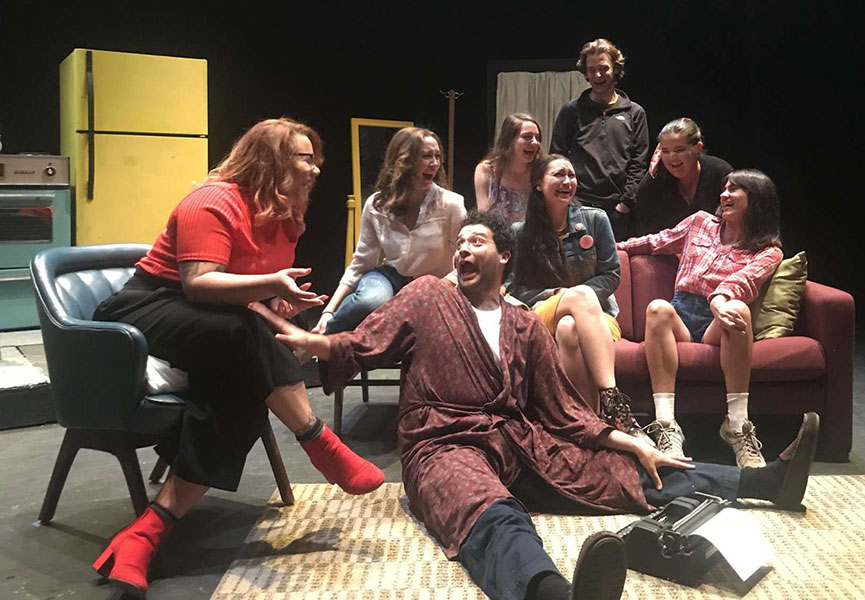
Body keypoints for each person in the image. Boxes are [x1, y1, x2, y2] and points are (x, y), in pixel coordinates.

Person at [255, 210, 819, 600]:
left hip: (519, 438)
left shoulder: (525, 324)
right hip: (441, 444)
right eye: (460, 244)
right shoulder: (427, 297)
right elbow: (363, 342)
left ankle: (767, 484)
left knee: (635, 470)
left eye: (476, 242)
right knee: (491, 512)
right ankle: (554, 594)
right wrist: (319, 344)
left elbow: (560, 410)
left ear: (503, 255)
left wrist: (628, 439)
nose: (463, 251)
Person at [89, 118, 385, 596]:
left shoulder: (285, 214)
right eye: (304, 159)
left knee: (242, 387)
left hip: (212, 320)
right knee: (243, 331)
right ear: (268, 160)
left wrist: (278, 305)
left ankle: (146, 533)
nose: (314, 170)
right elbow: (198, 283)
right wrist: (268, 290)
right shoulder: (213, 200)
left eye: (316, 160)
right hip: (146, 306)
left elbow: (248, 290)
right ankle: (317, 440)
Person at [617, 170, 784, 469]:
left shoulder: (768, 251)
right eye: (724, 189)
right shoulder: (699, 223)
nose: (725, 195)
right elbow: (658, 241)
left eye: (735, 190)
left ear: (756, 199)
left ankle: (737, 425)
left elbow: (745, 281)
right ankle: (666, 424)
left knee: (739, 310)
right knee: (657, 308)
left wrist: (720, 299)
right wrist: (614, 248)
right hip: (680, 313)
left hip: (717, 322)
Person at [508, 155, 649, 446]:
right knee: (578, 299)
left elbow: (611, 275)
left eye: (571, 175)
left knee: (570, 329)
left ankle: (586, 424)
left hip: (597, 317)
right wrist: (556, 296)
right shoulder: (520, 232)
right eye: (558, 175)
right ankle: (613, 401)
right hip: (543, 312)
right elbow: (513, 286)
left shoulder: (595, 220)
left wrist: (575, 298)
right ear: (538, 184)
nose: (567, 182)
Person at [313, 127, 466, 334]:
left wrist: (441, 287)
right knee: (371, 300)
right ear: (404, 161)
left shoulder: (451, 204)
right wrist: (328, 312)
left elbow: (465, 261)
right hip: (390, 278)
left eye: (438, 156)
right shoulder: (376, 204)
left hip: (433, 287)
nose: (435, 163)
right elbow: (361, 263)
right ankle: (321, 343)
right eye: (426, 156)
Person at [550, 38, 649, 242]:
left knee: (616, 271)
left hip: (618, 212)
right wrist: (568, 202)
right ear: (585, 73)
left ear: (615, 68)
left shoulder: (634, 112)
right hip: (577, 207)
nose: (597, 75)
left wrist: (625, 205)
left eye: (603, 68)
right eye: (591, 69)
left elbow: (638, 163)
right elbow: (556, 157)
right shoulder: (571, 111)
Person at [634, 118, 734, 236]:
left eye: (679, 150)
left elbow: (734, 221)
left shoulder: (720, 172)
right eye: (665, 151)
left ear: (698, 148)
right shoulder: (654, 180)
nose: (672, 157)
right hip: (665, 249)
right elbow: (646, 232)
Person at [474, 112, 542, 224]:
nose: (535, 143)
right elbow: (483, 217)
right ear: (509, 140)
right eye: (527, 137)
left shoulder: (540, 172)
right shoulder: (486, 170)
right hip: (496, 238)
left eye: (538, 138)